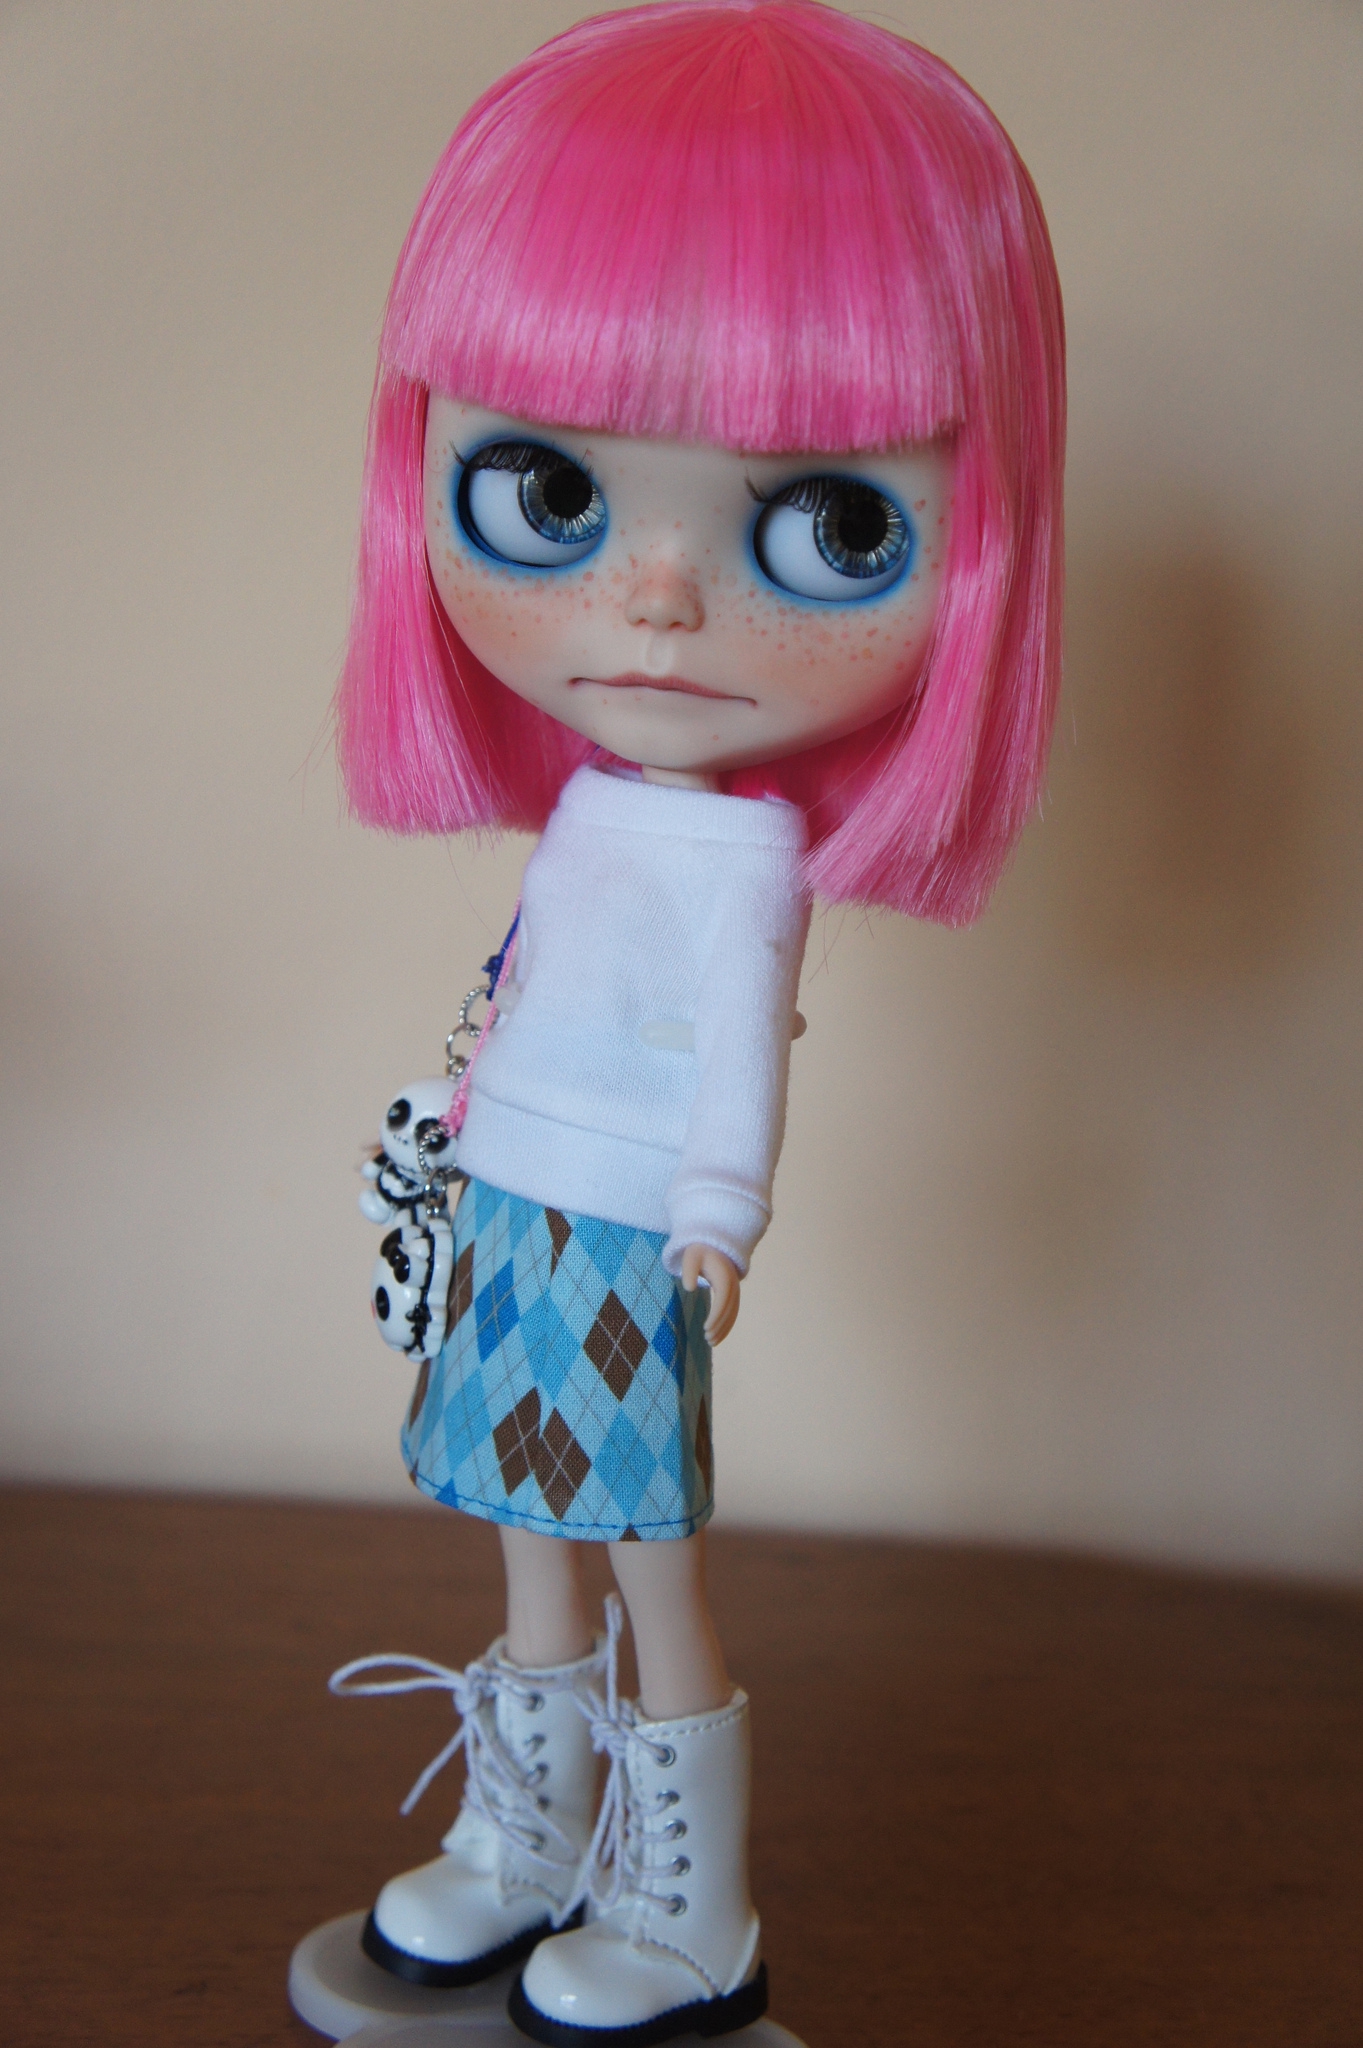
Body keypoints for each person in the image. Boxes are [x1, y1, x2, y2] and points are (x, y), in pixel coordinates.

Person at [330, 5, 1065, 2042]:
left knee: (648, 1554)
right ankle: (524, 1839)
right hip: (512, 1201)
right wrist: (459, 1118)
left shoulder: (745, 864)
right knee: (521, 1538)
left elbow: (739, 1047)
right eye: (545, 490)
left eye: (828, 525)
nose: (656, 596)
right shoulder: (589, 809)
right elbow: (541, 987)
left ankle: (688, 1907)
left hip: (637, 1234)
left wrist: (721, 1211)